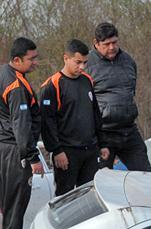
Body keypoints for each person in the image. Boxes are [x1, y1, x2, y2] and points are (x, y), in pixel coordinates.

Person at [0, 37, 44, 229]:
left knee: (7, 200)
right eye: (31, 59)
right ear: (17, 60)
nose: (35, 63)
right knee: (17, 199)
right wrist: (32, 157)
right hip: (12, 148)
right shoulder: (17, 86)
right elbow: (21, 124)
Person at [40, 39, 109, 196]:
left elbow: (95, 113)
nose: (82, 67)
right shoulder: (53, 85)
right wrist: (57, 151)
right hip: (67, 152)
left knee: (90, 196)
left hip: (90, 150)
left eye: (85, 62)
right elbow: (47, 122)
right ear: (66, 58)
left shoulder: (87, 80)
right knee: (66, 197)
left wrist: (102, 143)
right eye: (78, 62)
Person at [87, 22, 151, 172]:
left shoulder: (128, 61)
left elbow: (131, 91)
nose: (112, 47)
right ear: (96, 43)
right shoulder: (87, 65)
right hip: (103, 134)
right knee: (101, 180)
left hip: (128, 129)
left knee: (146, 175)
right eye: (107, 44)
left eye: (115, 42)